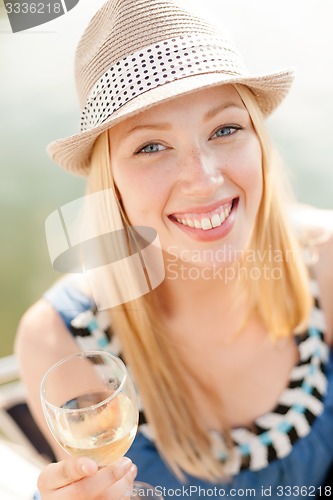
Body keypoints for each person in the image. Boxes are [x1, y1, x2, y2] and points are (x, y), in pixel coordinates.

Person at [15, 0, 333, 498]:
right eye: (150, 146)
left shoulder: (325, 262)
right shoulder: (62, 338)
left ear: (259, 140)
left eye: (225, 129)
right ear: (111, 181)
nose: (204, 180)